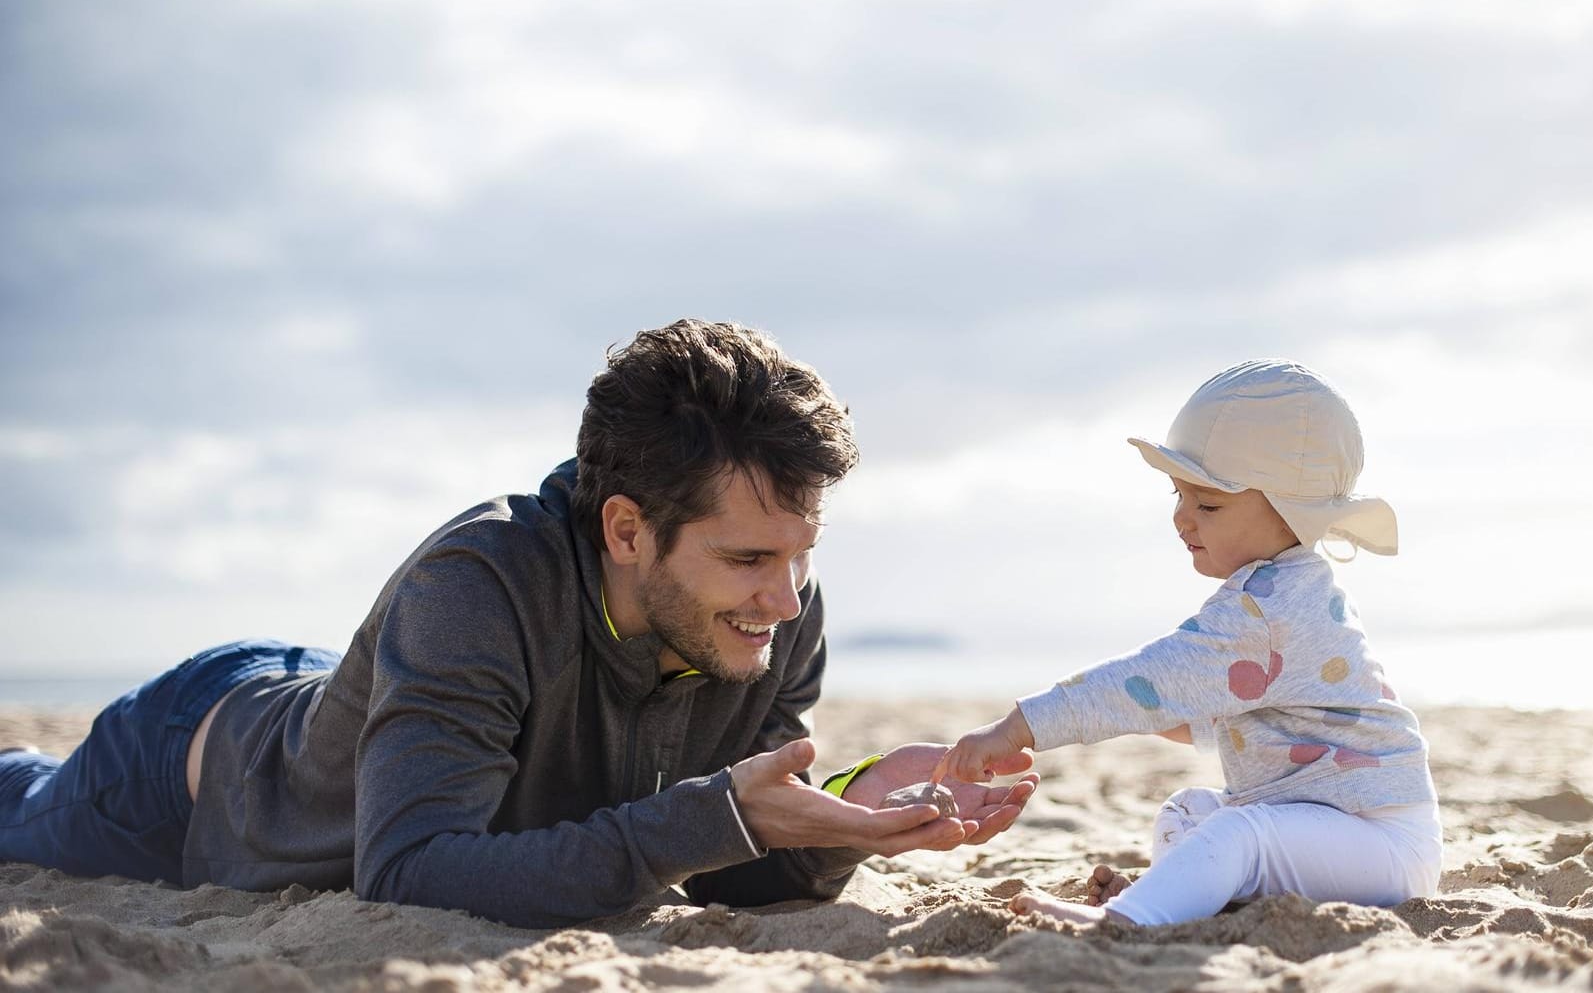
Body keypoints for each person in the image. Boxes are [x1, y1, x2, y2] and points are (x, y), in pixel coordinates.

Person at [0, 319, 1037, 928]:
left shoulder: (776, 616)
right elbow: (409, 870)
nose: (786, 598)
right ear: (627, 529)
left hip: (400, 707)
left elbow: (726, 856)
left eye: (802, 553)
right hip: (192, 772)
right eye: (750, 558)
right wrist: (715, 817)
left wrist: (851, 811)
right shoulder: (475, 585)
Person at [931, 359, 1441, 926]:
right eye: (1179, 495)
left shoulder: (1269, 609)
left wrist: (1018, 728)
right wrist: (1143, 709)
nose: (1182, 519)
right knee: (1189, 811)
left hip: (1379, 838)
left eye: (1209, 504)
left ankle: (1131, 918)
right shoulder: (1275, 592)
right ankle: (1178, 899)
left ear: (1290, 511)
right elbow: (1199, 713)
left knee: (1239, 832)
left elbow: (1144, 684)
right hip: (1334, 831)